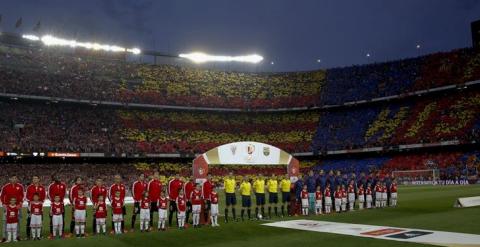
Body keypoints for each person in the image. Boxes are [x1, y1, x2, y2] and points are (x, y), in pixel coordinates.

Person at [1, 175, 24, 242]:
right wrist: (3, 204)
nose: (14, 179)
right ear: (10, 179)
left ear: (17, 179)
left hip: (17, 207)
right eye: (13, 178)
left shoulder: (20, 186)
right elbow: (2, 195)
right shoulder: (5, 186)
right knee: (5, 221)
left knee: (18, 221)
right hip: (8, 207)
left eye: (15, 178)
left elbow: (22, 195)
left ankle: (17, 236)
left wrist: (20, 203)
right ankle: (4, 237)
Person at [25, 175, 46, 240]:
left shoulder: (42, 187)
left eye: (36, 178)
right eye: (34, 178)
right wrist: (32, 202)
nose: (35, 179)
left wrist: (40, 202)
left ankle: (39, 235)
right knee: (29, 221)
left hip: (39, 207)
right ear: (32, 180)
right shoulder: (29, 187)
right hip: (31, 207)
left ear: (39, 179)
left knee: (40, 221)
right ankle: (28, 236)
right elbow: (26, 196)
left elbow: (44, 196)